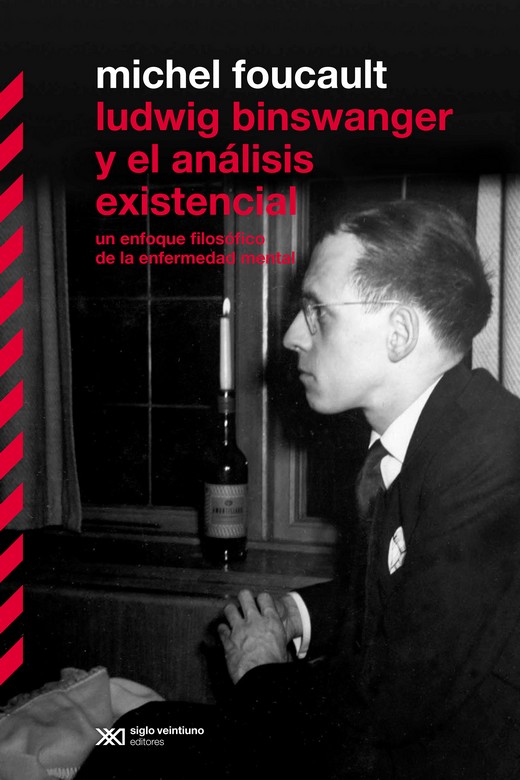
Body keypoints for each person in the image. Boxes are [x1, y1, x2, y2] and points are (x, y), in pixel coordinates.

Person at [77, 200, 520, 779]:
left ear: (399, 333)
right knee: (138, 732)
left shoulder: (493, 453)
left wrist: (261, 669)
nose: (291, 336)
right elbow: (402, 599)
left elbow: (394, 700)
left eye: (317, 312)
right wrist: (295, 614)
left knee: (132, 751)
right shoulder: (432, 437)